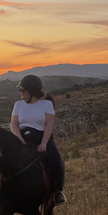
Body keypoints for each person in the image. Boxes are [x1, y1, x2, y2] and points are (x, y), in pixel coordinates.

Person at [10, 75, 66, 205]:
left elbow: (49, 125)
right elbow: (13, 124)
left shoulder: (47, 104)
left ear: (32, 91)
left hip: (42, 136)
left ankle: (58, 191)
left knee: (55, 158)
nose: (21, 92)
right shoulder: (18, 105)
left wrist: (44, 143)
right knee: (2, 153)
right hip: (22, 136)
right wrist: (18, 138)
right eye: (21, 90)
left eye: (23, 90)